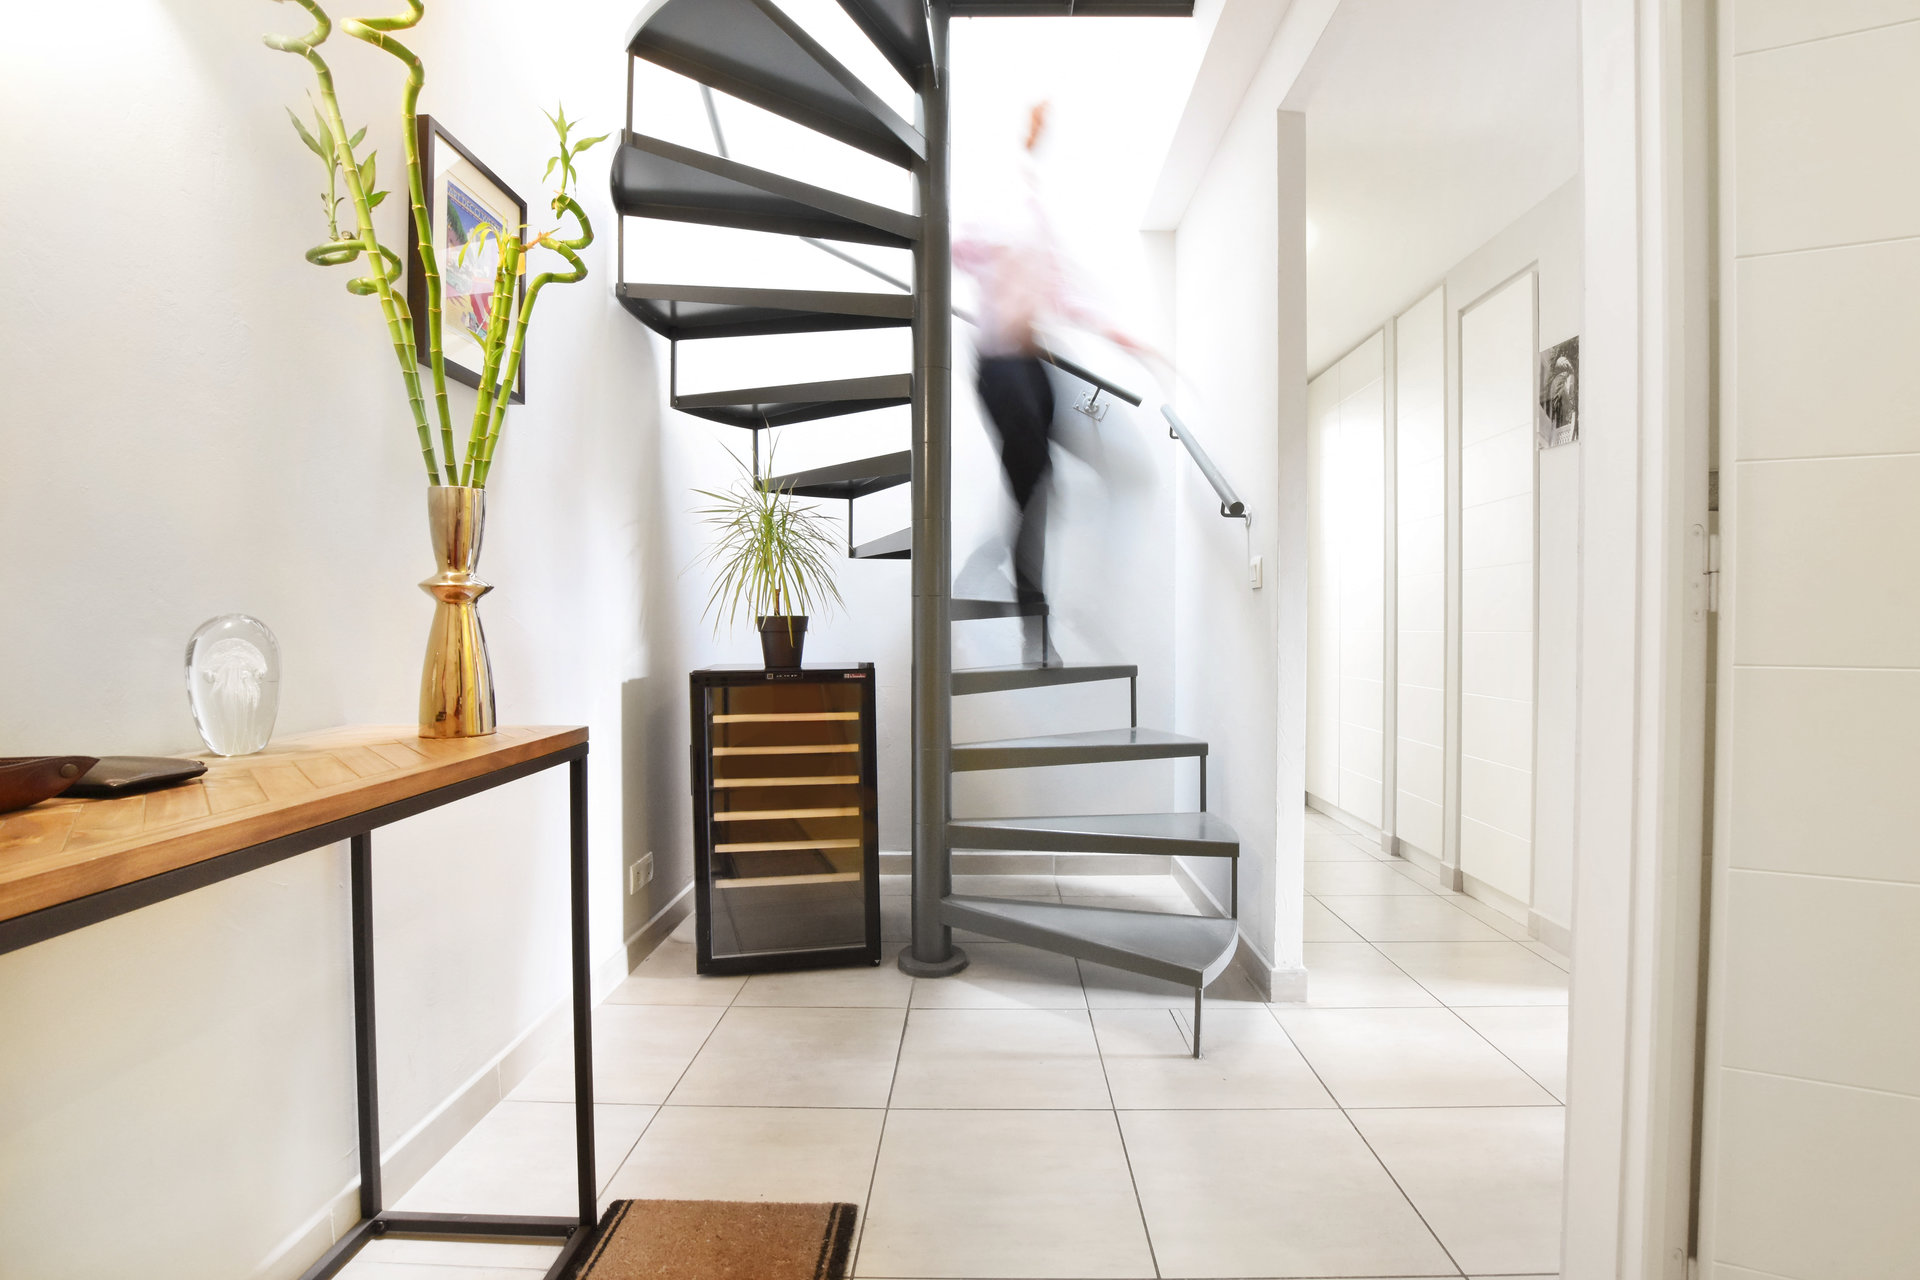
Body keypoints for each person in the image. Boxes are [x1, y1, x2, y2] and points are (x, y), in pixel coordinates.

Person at [952, 103, 1154, 664]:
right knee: (1038, 486)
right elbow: (960, 247)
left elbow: (1065, 295)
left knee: (1046, 485)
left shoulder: (1038, 228)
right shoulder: (998, 214)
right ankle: (1033, 632)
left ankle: (989, 576)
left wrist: (1120, 334)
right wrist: (1021, 153)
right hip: (999, 362)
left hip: (1035, 364)